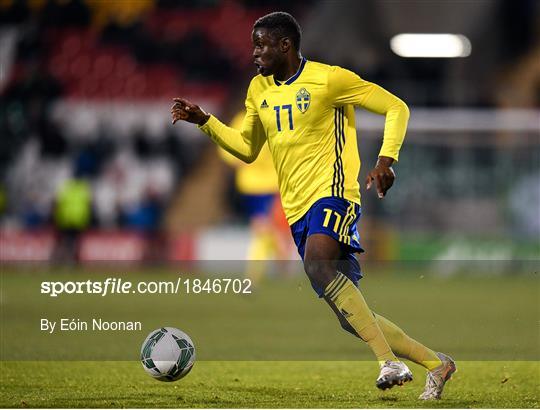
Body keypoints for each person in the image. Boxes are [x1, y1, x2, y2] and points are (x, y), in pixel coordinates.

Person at [171, 12, 456, 399]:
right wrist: (205, 121)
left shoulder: (329, 79)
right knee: (348, 318)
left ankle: (388, 361)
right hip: (296, 207)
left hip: (334, 192)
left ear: (284, 45)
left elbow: (396, 107)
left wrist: (386, 160)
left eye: (261, 44)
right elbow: (247, 149)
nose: (254, 52)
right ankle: (438, 364)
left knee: (317, 265)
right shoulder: (258, 89)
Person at [219, 111, 293, 284]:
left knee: (268, 231)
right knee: (266, 230)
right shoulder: (276, 116)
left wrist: (243, 157)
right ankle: (256, 276)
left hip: (263, 186)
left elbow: (227, 150)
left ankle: (264, 272)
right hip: (267, 186)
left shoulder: (242, 120)